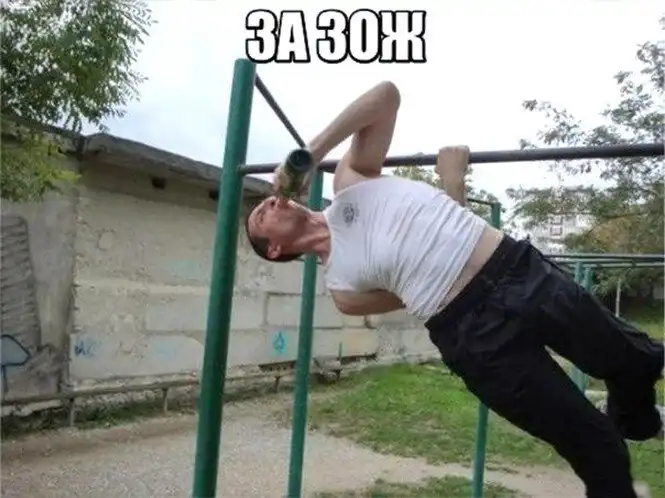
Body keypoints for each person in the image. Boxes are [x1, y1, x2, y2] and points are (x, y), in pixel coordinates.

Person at [244, 81, 664, 498]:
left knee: (638, 359)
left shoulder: (350, 181)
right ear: (275, 249)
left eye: (267, 199)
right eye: (261, 214)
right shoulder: (343, 289)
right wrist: (453, 187)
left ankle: (637, 422)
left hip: (517, 272)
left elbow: (386, 96)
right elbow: (422, 286)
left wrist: (313, 154)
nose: (270, 201)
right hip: (474, 338)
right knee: (597, 447)